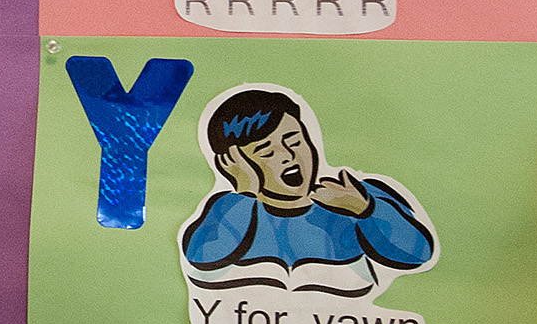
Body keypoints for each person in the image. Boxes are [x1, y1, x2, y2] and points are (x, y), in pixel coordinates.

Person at [181, 88, 435, 298]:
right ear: (238, 163)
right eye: (267, 152)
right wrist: (245, 189)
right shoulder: (232, 208)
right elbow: (201, 257)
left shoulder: (354, 197)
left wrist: (365, 209)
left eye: (294, 141)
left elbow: (417, 254)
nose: (288, 155)